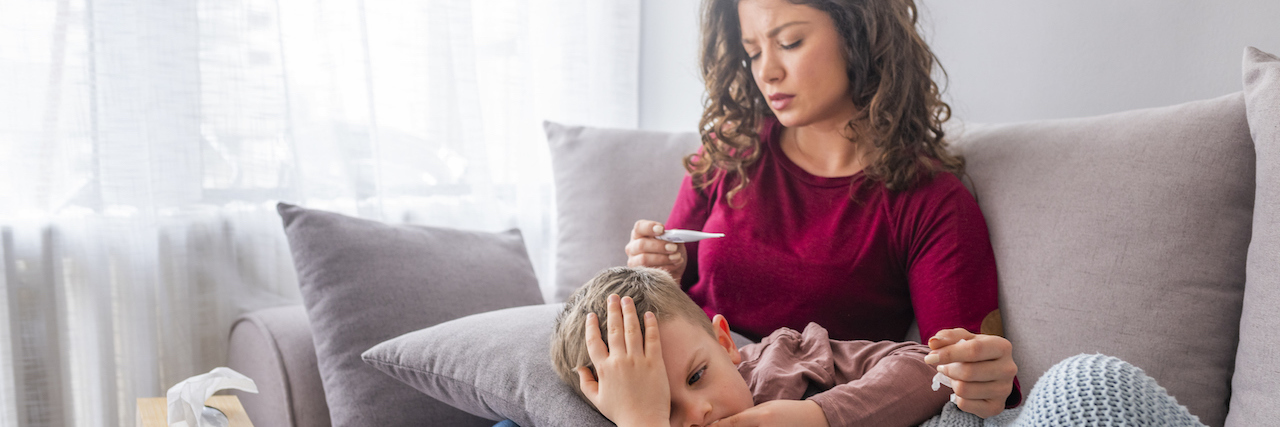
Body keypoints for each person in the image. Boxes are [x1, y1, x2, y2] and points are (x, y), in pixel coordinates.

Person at [625, 0, 1018, 418]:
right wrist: (656, 275)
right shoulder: (730, 152)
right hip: (683, 398)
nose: (766, 71)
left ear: (859, 35)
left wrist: (983, 378)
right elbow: (657, 307)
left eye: (790, 43)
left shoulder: (931, 201)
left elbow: (953, 371)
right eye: (753, 52)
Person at [551, 266, 953, 427]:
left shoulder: (784, 362)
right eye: (663, 407)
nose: (697, 413)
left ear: (724, 342)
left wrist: (815, 416)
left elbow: (932, 367)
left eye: (697, 376)